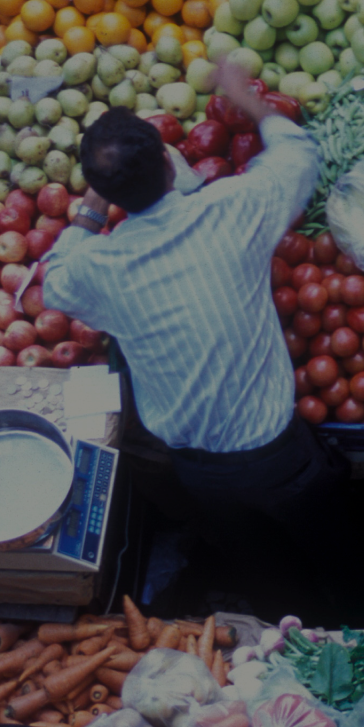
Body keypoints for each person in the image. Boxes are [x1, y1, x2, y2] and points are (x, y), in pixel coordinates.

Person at [43, 62, 343, 553]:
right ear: (168, 161)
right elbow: (300, 154)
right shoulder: (230, 209)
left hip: (197, 468)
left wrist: (93, 206)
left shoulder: (99, 267)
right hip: (279, 455)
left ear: (107, 191)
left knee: (258, 562)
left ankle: (280, 616)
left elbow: (54, 282)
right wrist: (244, 98)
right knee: (335, 548)